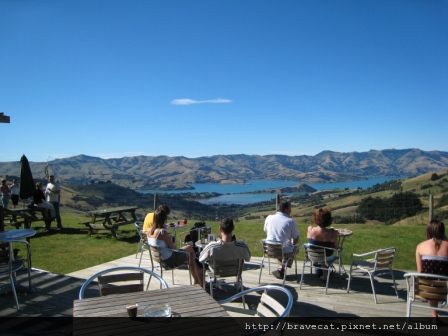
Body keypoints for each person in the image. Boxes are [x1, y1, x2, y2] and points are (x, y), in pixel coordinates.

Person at [147, 208, 203, 287]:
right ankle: (197, 280)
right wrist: (165, 230)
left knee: (189, 251)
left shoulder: (149, 231)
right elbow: (173, 248)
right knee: (190, 250)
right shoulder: (162, 232)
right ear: (164, 219)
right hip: (169, 260)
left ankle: (197, 278)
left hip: (159, 260)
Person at [415, 220, 448, 322]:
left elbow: (420, 272)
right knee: (438, 281)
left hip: (427, 288)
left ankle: (434, 316)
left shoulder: (420, 246)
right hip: (445, 288)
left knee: (431, 280)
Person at [264, 201, 300, 279]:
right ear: (286, 210)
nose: (291, 211)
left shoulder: (269, 218)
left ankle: (280, 268)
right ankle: (282, 268)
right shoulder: (290, 221)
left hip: (269, 250)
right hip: (283, 251)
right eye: (290, 209)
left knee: (281, 248)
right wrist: (292, 243)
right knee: (295, 249)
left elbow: (266, 231)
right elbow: (296, 238)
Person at [307, 208, 339, 281]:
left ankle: (319, 268)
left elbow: (309, 239)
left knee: (319, 252)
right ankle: (325, 274)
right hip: (327, 257)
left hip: (312, 256)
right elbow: (336, 247)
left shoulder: (310, 229)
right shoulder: (333, 232)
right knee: (325, 255)